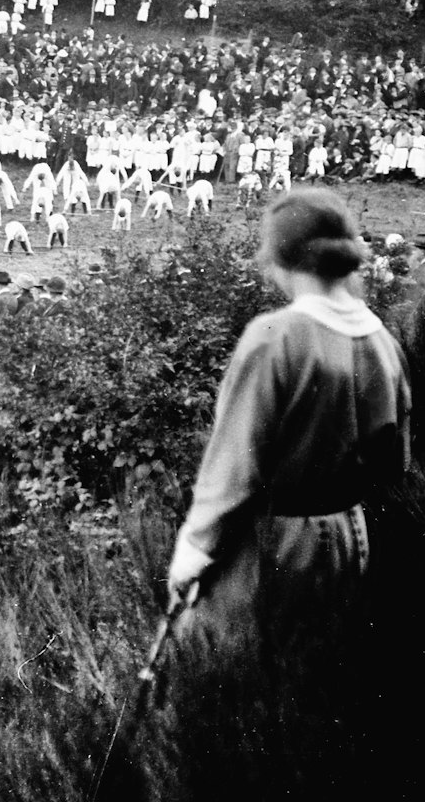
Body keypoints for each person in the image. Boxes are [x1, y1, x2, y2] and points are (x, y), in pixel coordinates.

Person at [168, 189, 411, 650]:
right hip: (348, 539)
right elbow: (394, 465)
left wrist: (193, 549)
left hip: (273, 546)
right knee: (319, 677)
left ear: (279, 259)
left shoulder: (274, 337)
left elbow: (234, 467)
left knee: (240, 680)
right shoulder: (383, 342)